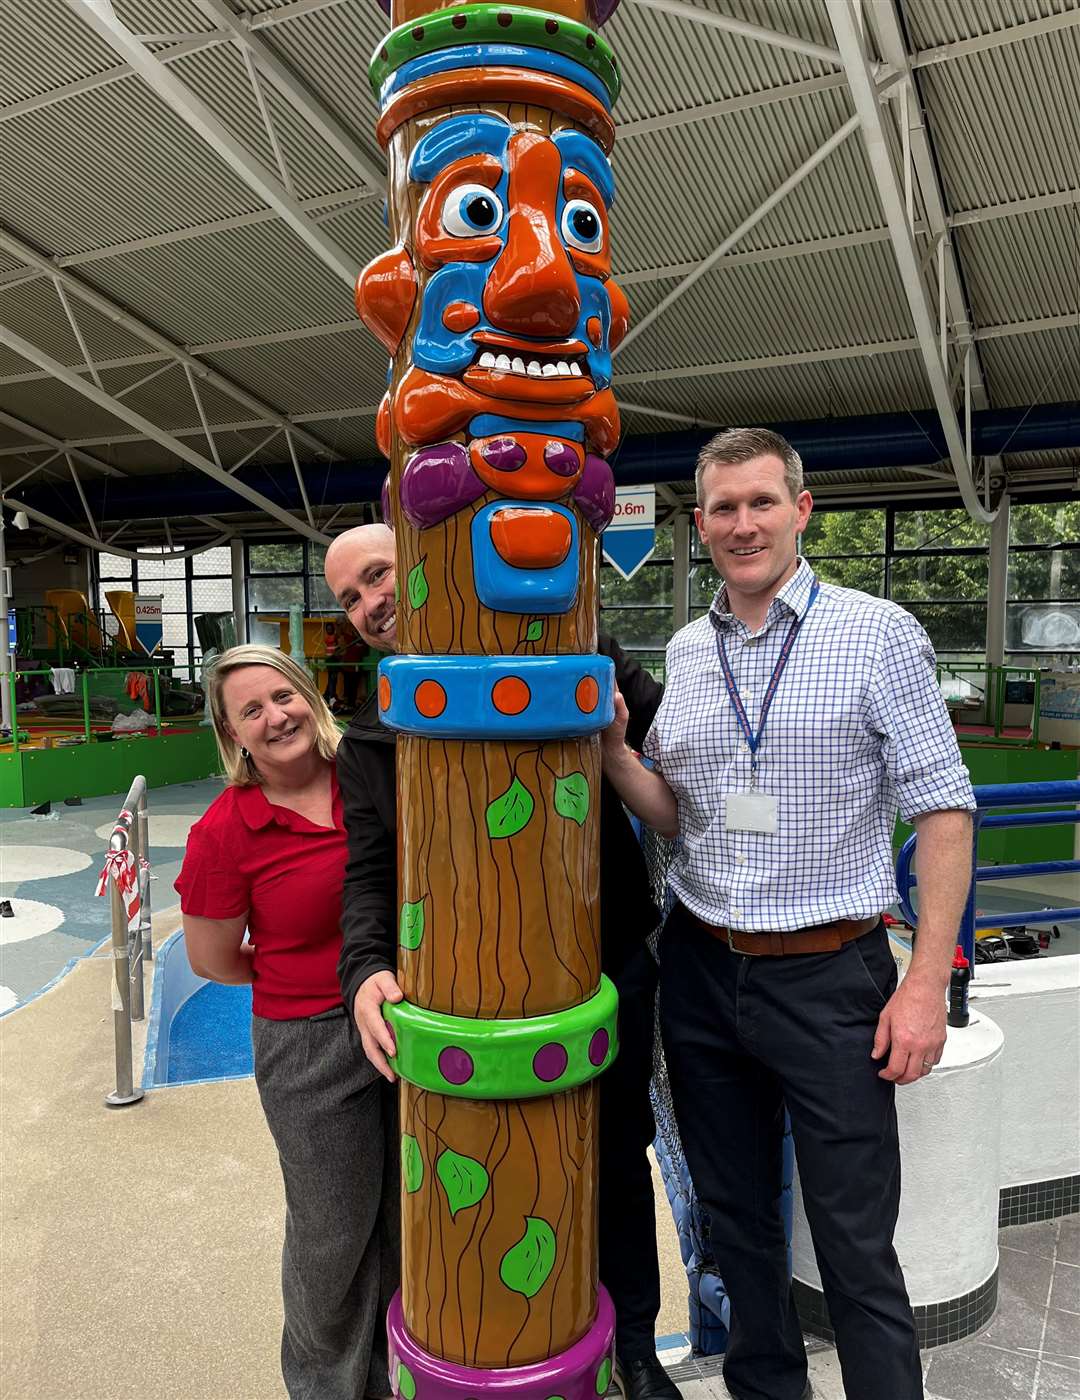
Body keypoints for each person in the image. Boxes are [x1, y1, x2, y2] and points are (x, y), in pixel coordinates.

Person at [600, 428, 976, 1400]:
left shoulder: (877, 631)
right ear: (700, 523)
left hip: (828, 974)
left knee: (855, 1240)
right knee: (736, 1224)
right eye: (722, 507)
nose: (742, 523)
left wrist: (927, 981)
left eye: (761, 501)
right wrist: (614, 755)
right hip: (701, 966)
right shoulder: (687, 648)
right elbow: (681, 814)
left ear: (802, 510)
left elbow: (944, 809)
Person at [324, 524, 681, 1400]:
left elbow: (680, 739)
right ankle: (480, 1341)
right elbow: (368, 871)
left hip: (602, 972)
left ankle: (633, 1342)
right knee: (476, 1171)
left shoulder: (577, 649)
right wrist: (366, 966)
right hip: (461, 998)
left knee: (614, 1156)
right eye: (351, 599)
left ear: (427, 563)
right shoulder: (374, 743)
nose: (371, 604)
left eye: (380, 576)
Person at [174, 644, 398, 1400]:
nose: (276, 717)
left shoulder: (367, 777)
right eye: (251, 711)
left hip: (407, 1026)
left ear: (310, 696)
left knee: (404, 1221)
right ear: (232, 734)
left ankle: (394, 1377)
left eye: (283, 696)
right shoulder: (225, 831)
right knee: (332, 1237)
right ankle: (326, 1388)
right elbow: (212, 958)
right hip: (309, 1045)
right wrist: (302, 976)